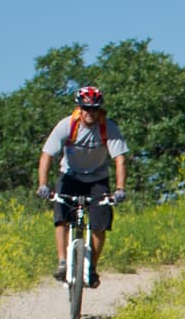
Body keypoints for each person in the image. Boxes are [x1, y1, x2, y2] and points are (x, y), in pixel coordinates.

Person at [35, 85, 128, 286]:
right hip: (70, 176)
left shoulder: (108, 127)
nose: (90, 113)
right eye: (86, 109)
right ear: (79, 108)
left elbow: (120, 159)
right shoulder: (67, 125)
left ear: (100, 110)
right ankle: (62, 262)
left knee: (100, 223)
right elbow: (47, 155)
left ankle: (91, 267)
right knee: (61, 217)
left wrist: (120, 189)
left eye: (94, 109)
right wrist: (43, 185)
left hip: (97, 179)